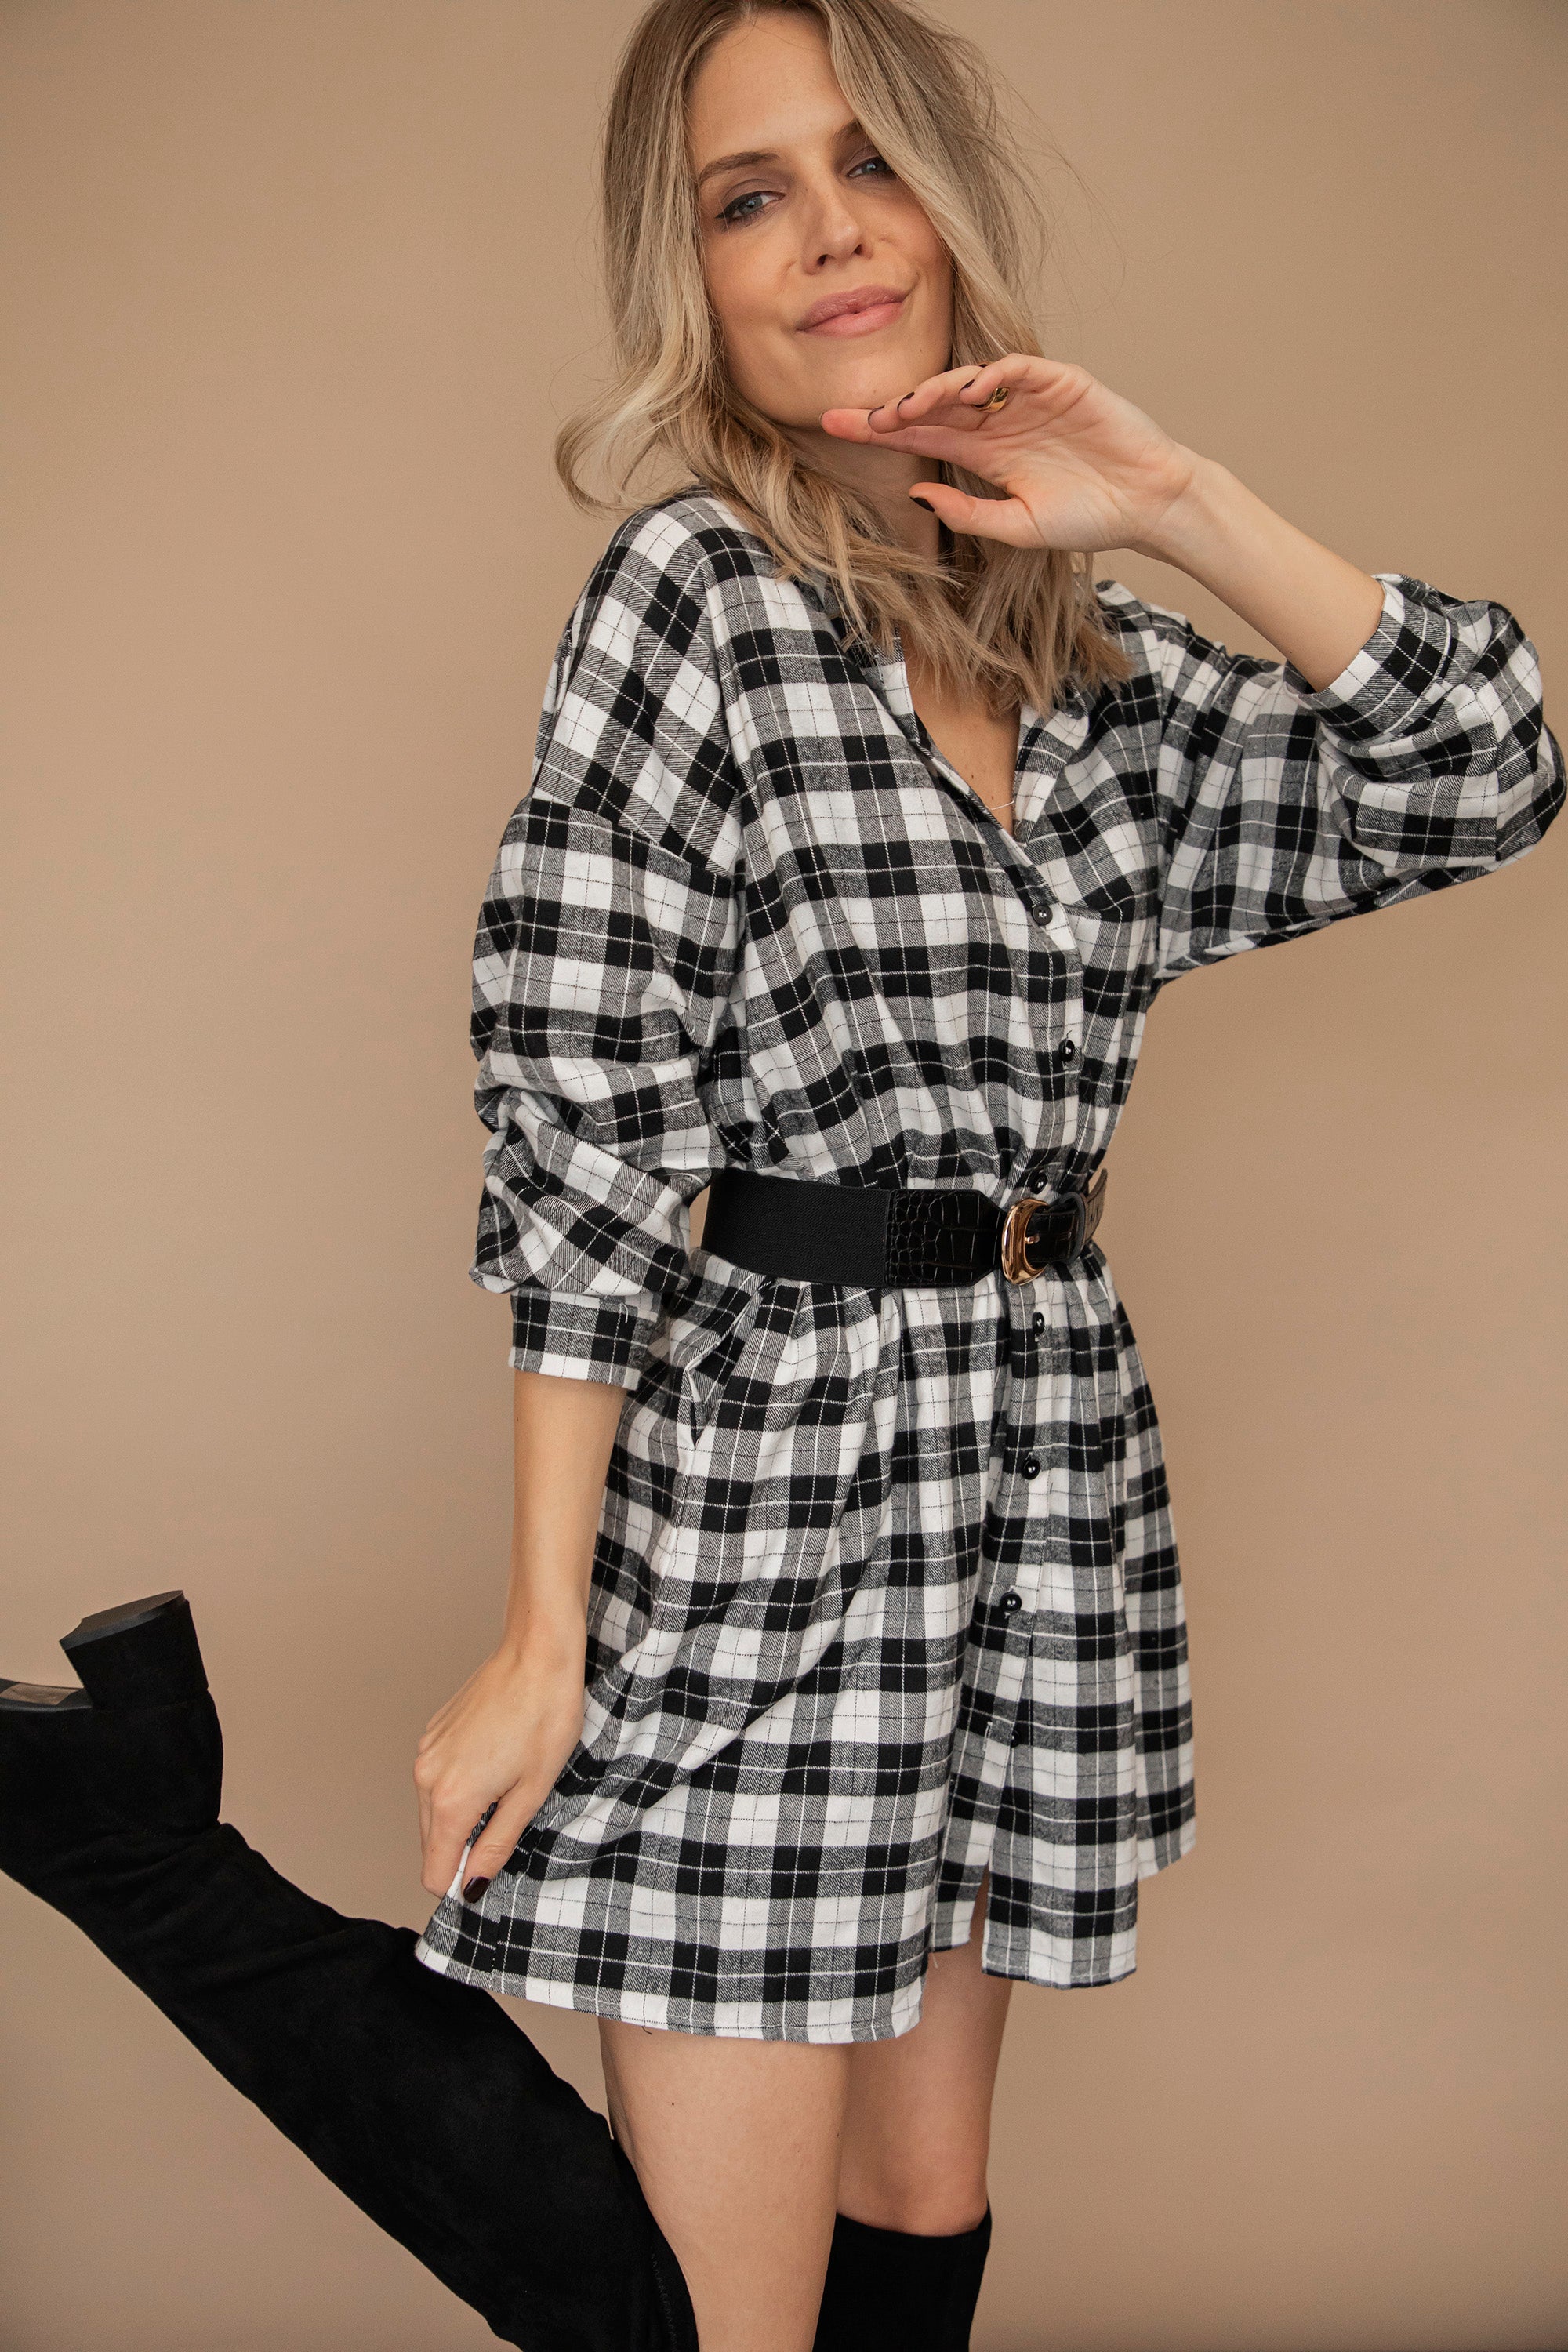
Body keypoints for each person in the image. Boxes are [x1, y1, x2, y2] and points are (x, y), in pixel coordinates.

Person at [0, 6, 1558, 2352]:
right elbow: (584, 1113)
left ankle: (115, 1816)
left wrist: (1172, 499)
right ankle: (143, 1854)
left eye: (870, 164)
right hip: (781, 1475)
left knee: (918, 2207)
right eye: (751, 196)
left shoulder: (1099, 663)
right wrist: (545, 1629)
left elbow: (1488, 768)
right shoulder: (695, 600)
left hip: (1037, 1480)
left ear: (947, 205)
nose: (829, 231)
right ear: (698, 277)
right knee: (720, 2320)